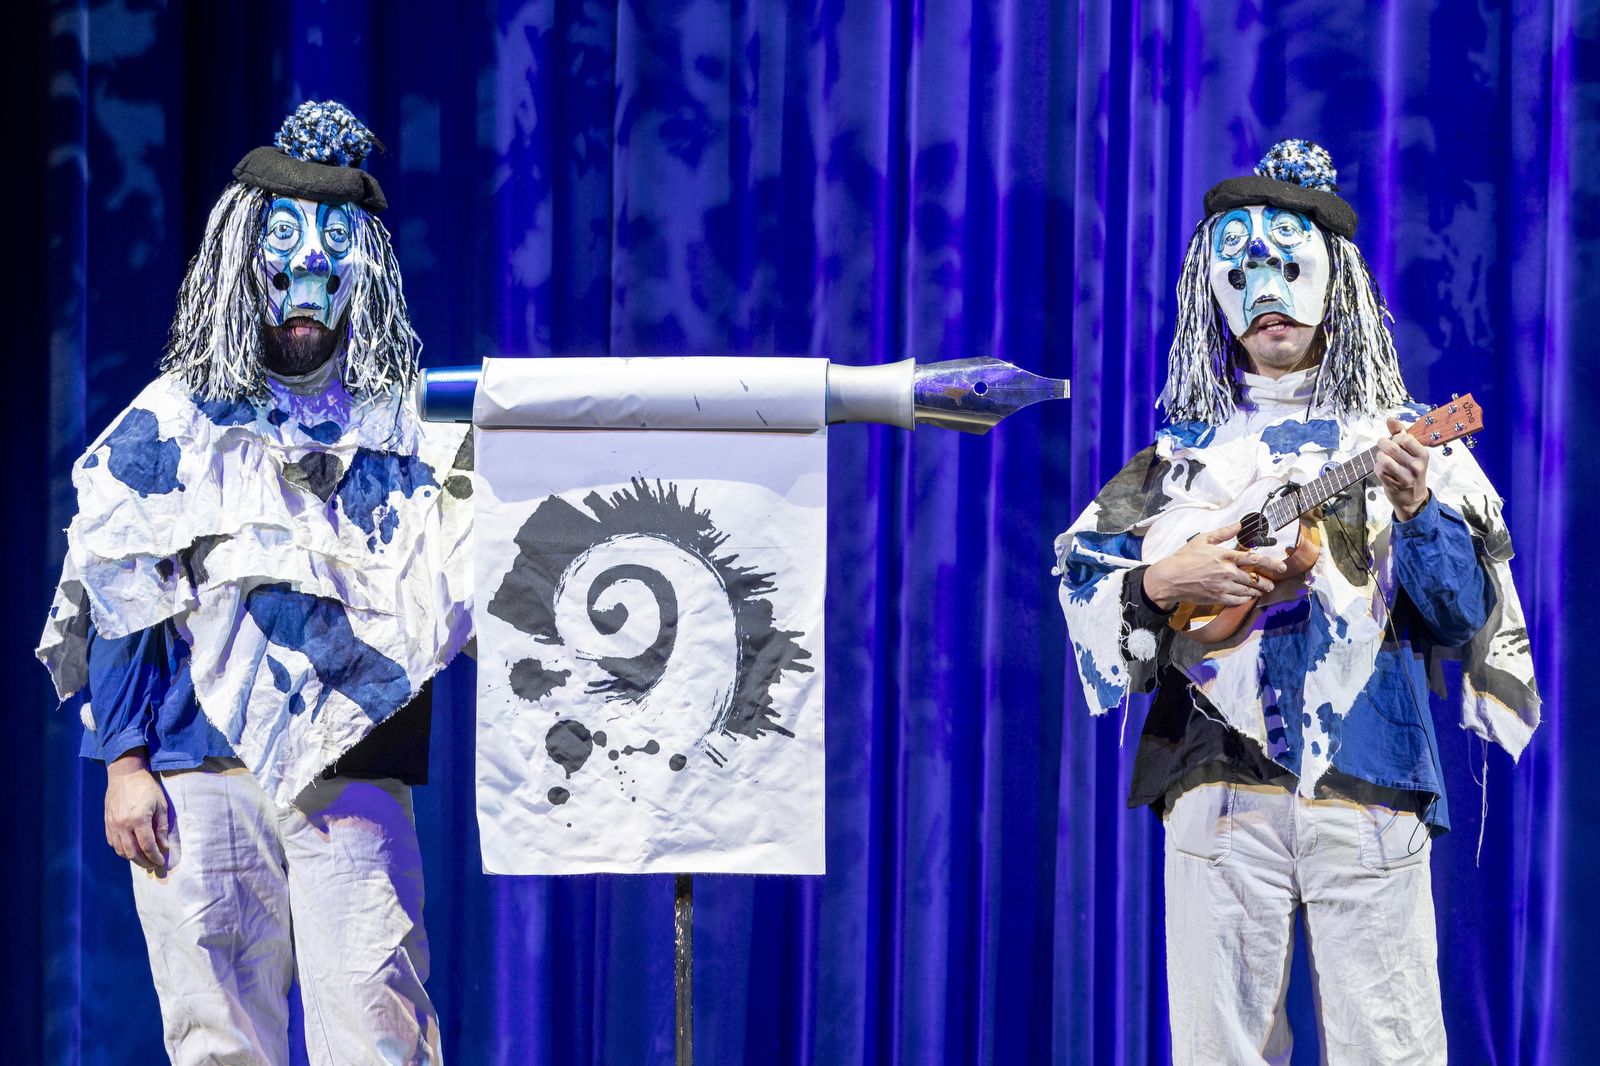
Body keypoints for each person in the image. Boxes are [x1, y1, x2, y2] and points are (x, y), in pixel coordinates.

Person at [1053, 140, 1539, 1065]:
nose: (1264, 288)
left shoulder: (1404, 436)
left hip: (1369, 778)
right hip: (1214, 781)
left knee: (1388, 1048)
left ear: (1336, 280)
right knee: (1218, 1050)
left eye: (1286, 264)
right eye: (1238, 272)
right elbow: (1084, 587)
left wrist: (1417, 508)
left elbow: (1461, 615)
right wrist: (1164, 582)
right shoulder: (1178, 461)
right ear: (1210, 294)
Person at [37, 101, 473, 1065]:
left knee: (380, 1030)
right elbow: (120, 591)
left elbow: (460, 576)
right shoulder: (174, 421)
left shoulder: (400, 426)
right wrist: (124, 764)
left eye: (329, 269)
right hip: (197, 772)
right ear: (244, 268)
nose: (306, 291)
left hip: (349, 770)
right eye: (283, 269)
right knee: (218, 1043)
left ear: (363, 274)